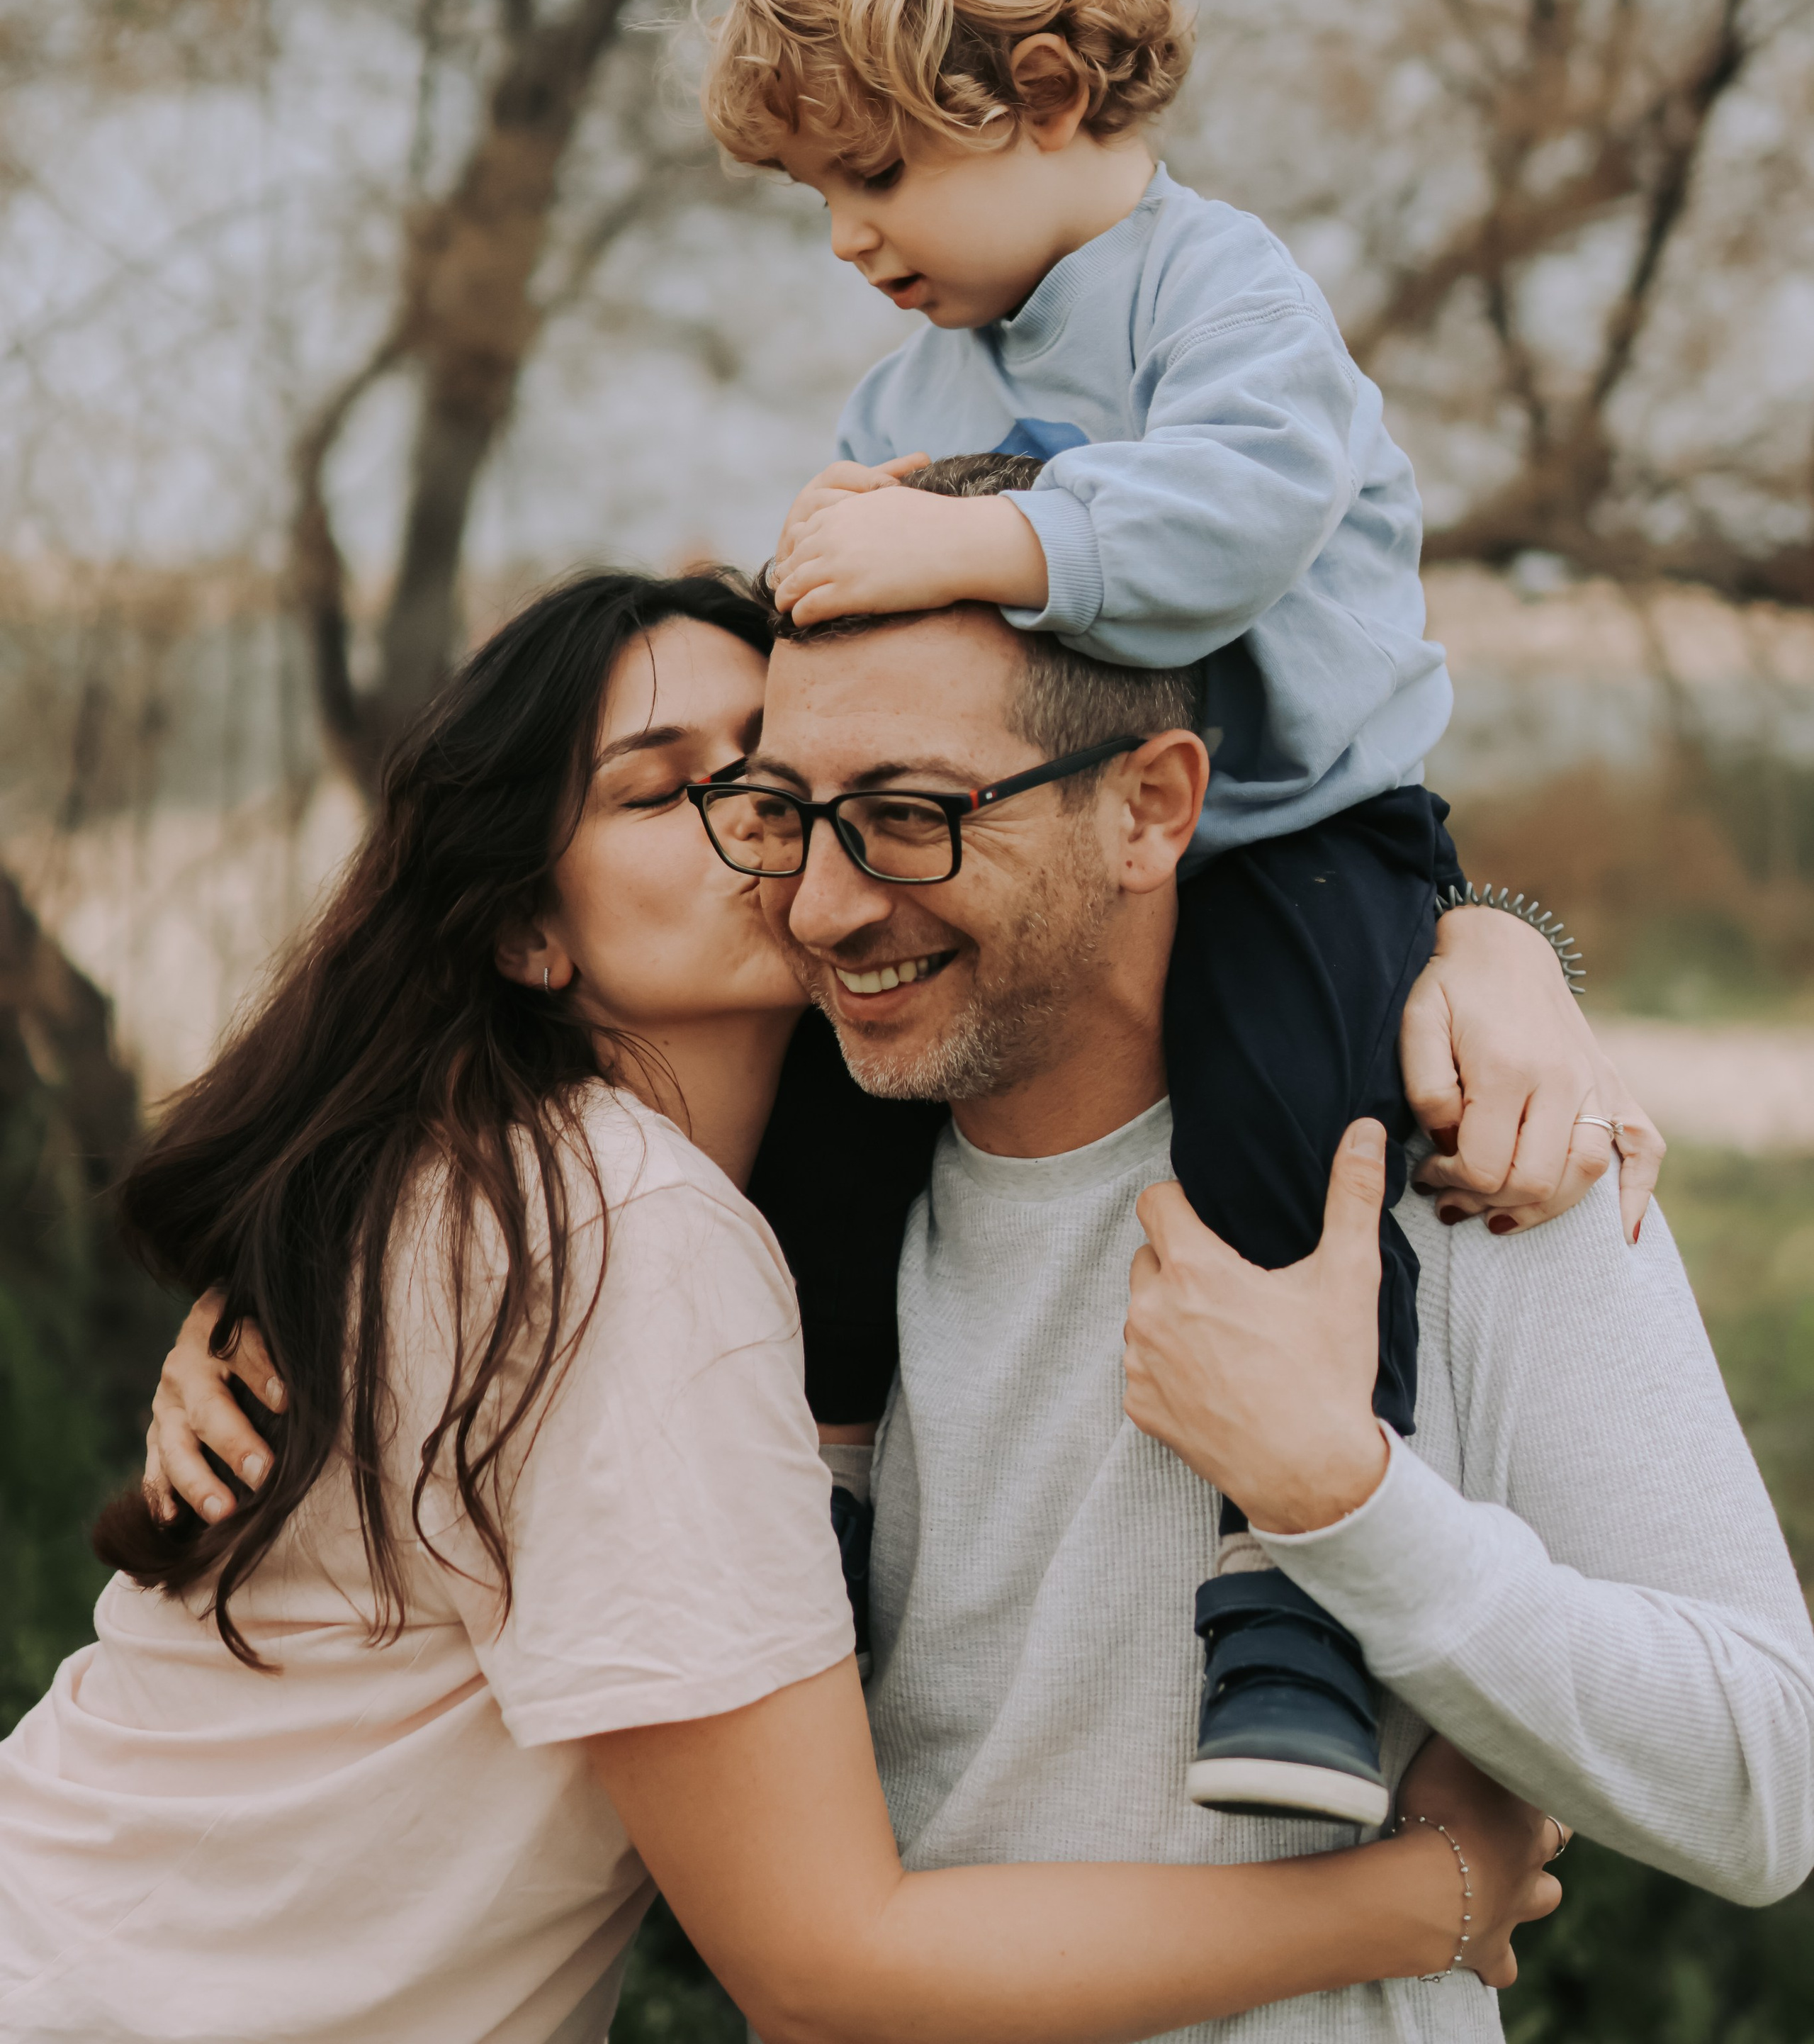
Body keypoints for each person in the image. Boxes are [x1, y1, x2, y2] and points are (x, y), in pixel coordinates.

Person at [0, 568, 1562, 2044]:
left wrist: (1491, 940)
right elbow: (822, 1967)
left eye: (788, 771)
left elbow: (1122, 861)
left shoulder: (518, 1190)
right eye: (662, 785)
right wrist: (1429, 1894)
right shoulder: (617, 1226)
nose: (769, 823)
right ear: (525, 929)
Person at [700, 0, 1661, 1819]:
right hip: (1062, 867)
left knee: (1285, 1140)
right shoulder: (909, 382)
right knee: (841, 1134)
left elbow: (1232, 524)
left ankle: (1287, 1602)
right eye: (821, 195)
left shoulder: (1229, 300)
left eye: (875, 168)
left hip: (1305, 830)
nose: (851, 231)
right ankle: (838, 1475)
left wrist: (965, 543)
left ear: (1044, 93)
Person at [679, 512, 1814, 2044]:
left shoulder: (1472, 1158)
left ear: (1151, 807)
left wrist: (1341, 1496)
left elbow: (1763, 1782)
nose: (821, 904)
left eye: (908, 815)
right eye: (785, 812)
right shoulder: (739, 1203)